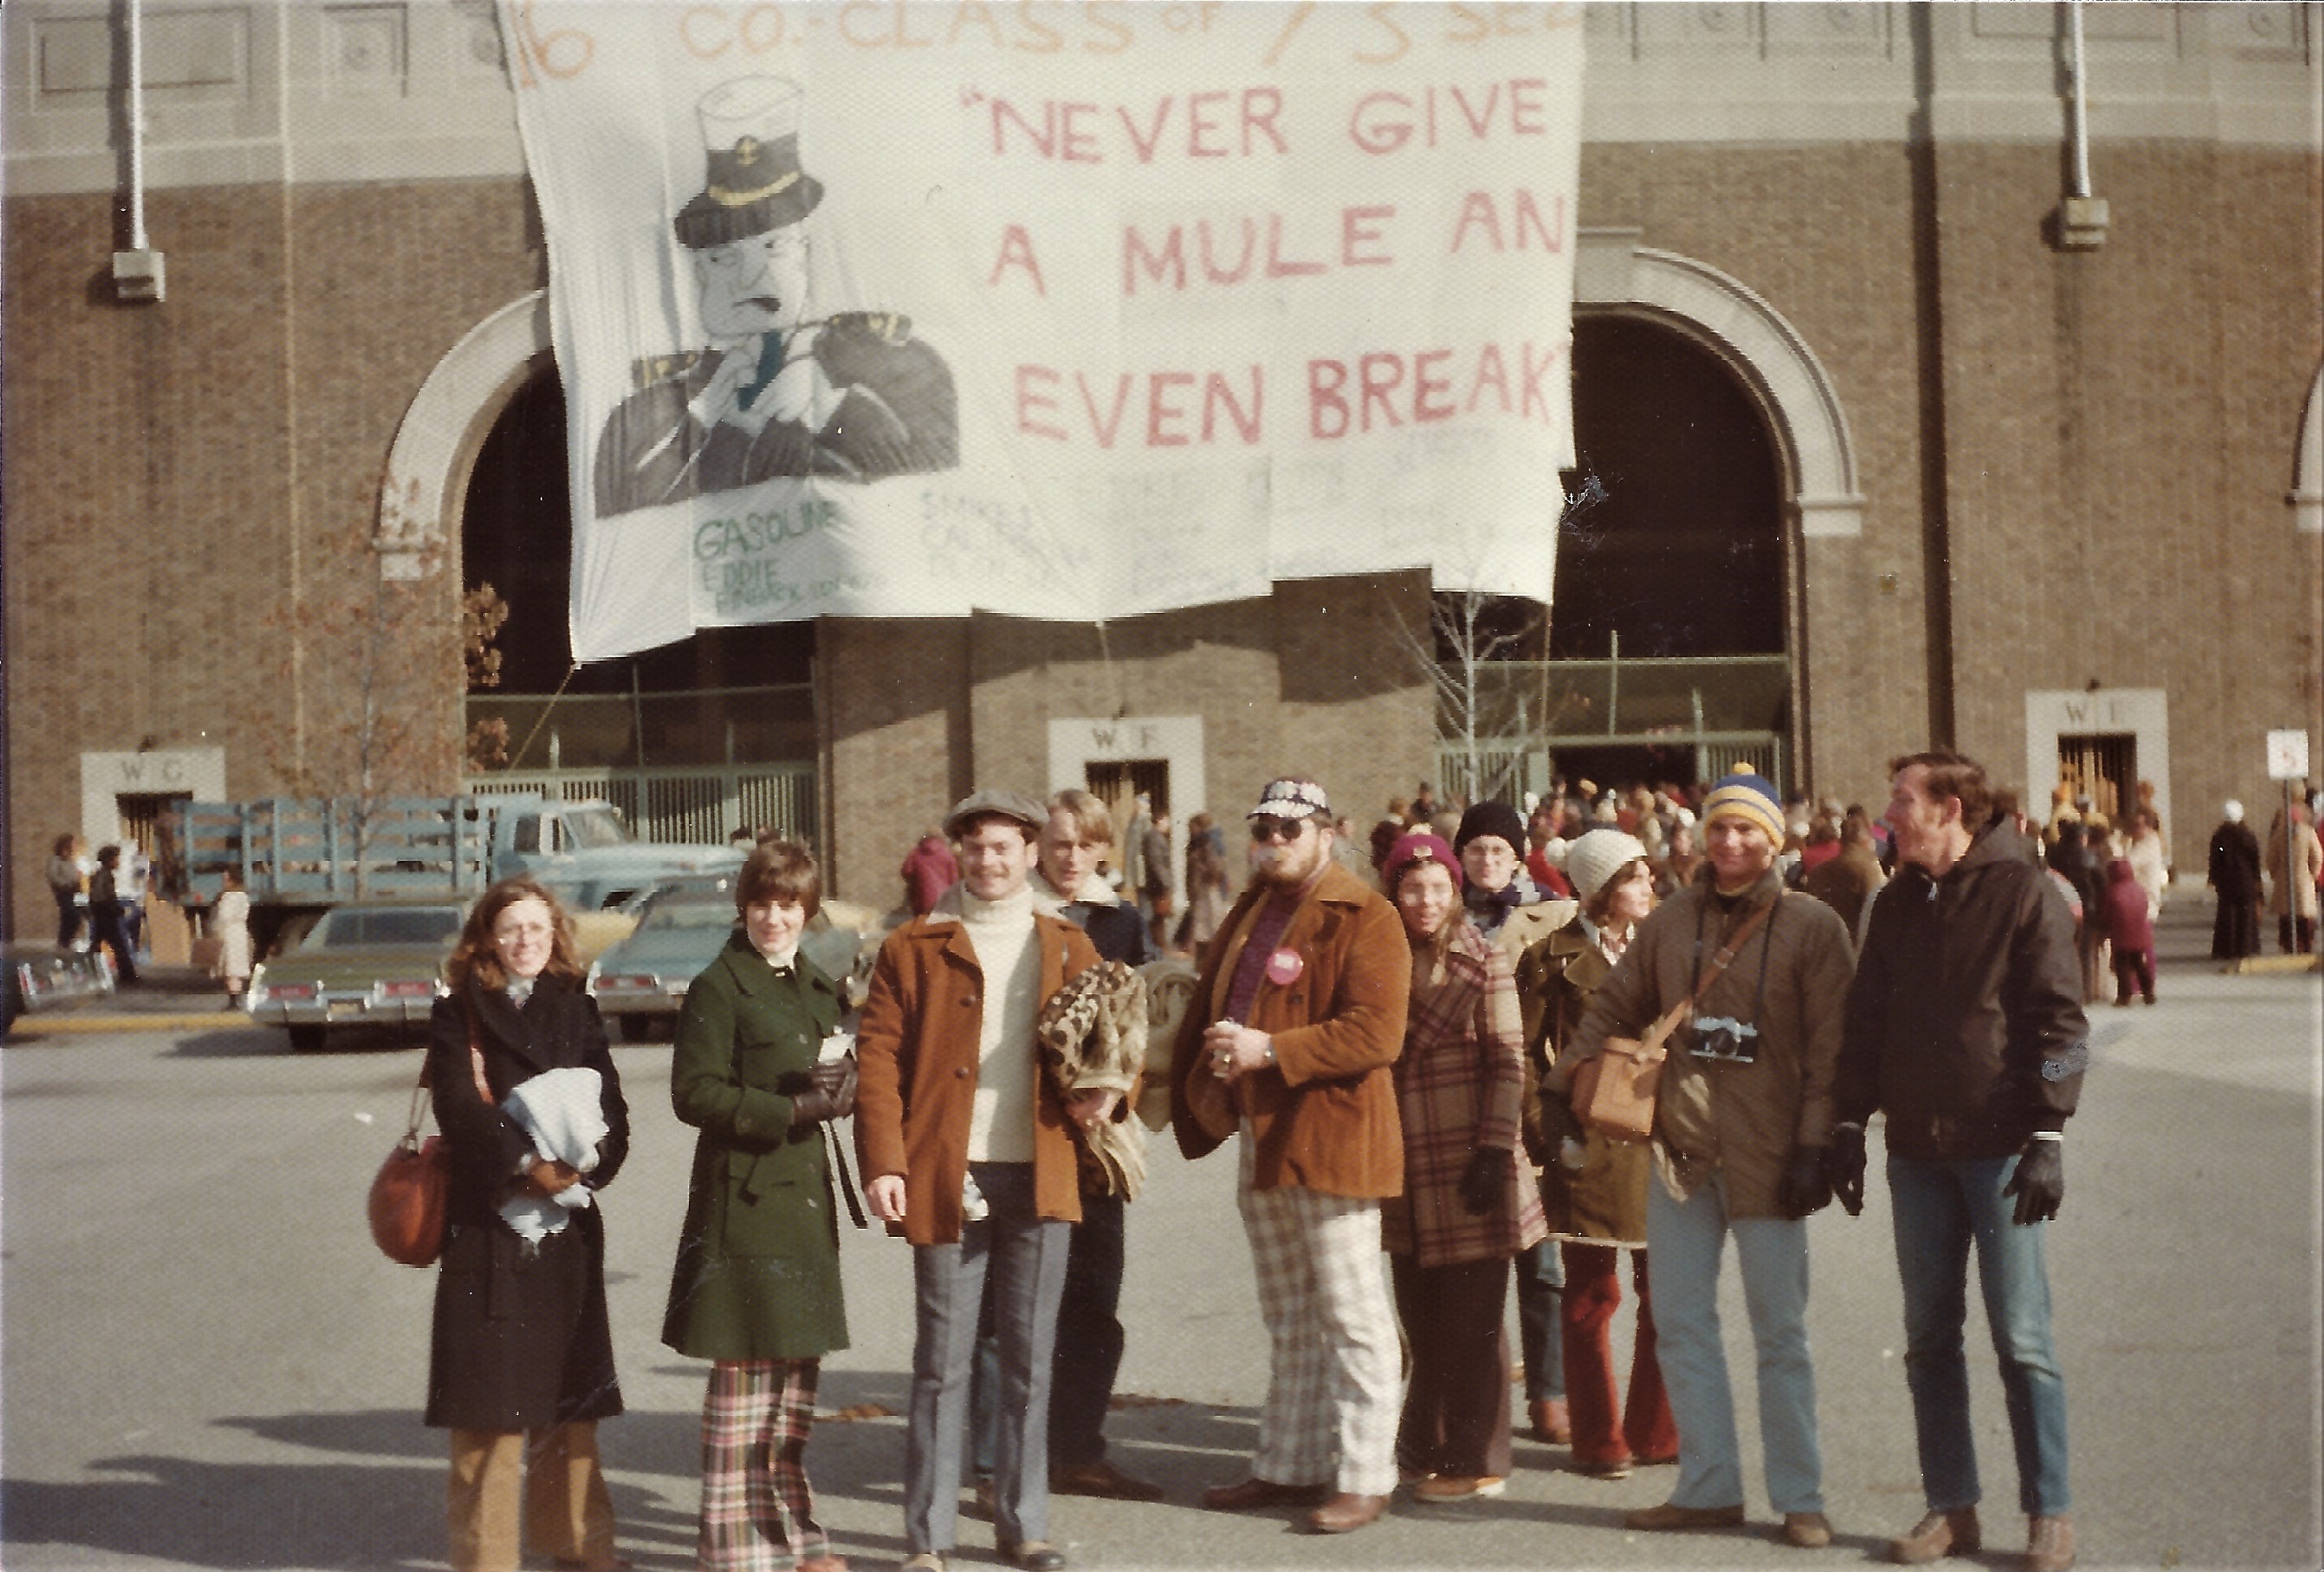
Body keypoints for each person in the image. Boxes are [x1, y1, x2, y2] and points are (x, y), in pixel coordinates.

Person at [1557, 772, 1854, 1551]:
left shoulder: (1812, 925)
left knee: (1780, 1333)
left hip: (1771, 1157)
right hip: (1681, 1154)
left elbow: (1832, 1047)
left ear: (1774, 840)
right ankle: (1709, 1485)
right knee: (1682, 1323)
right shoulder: (1670, 920)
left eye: (1747, 829)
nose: (1729, 842)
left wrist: (1817, 1143)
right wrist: (1566, 1084)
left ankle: (1800, 1496)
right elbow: (1614, 1004)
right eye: (1719, 827)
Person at [1830, 749, 2088, 1572]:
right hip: (1915, 1151)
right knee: (1928, 1338)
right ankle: (1951, 1505)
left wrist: (2048, 1132)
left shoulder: (2023, 892)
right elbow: (1865, 1021)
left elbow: (2063, 1025)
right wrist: (1847, 1121)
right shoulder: (1894, 902)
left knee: (2022, 1338)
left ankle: (2048, 1510)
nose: (1889, 813)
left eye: (1902, 800)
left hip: (2000, 1151)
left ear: (1950, 810)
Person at [854, 789, 1104, 1572]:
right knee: (942, 1358)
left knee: (1030, 1356)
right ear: (958, 852)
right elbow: (876, 1059)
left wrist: (1109, 1093)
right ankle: (927, 1537)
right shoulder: (913, 944)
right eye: (976, 847)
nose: (989, 861)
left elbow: (1113, 1045)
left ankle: (1023, 1524)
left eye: (1003, 847)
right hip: (947, 1171)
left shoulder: (1068, 942)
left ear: (1031, 853)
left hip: (1042, 1169)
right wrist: (885, 1161)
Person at [1172, 778, 1411, 1536]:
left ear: (1326, 835)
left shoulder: (1368, 914)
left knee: (1352, 1313)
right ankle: (1289, 1463)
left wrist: (1269, 1048)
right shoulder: (1252, 907)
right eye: (1264, 828)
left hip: (1334, 1135)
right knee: (1290, 1313)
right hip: (1262, 1132)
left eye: (1290, 828)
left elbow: (1377, 1033)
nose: (1273, 840)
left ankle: (1366, 1477)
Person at [593, 76, 956, 515]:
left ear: (806, 254)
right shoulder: (646, 412)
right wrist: (712, 428)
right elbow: (623, 520)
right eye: (723, 258)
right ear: (698, 274)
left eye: (774, 247)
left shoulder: (902, 369)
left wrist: (833, 408)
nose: (752, 279)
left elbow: (936, 488)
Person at [425, 877, 631, 1572]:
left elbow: (614, 1108)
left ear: (555, 935)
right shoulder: (458, 1010)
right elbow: (458, 1105)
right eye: (511, 927)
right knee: (490, 1417)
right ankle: (487, 1563)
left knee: (570, 1411)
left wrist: (588, 1166)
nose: (525, 941)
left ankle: (580, 1550)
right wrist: (526, 1165)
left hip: (564, 1231)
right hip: (491, 1230)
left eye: (538, 928)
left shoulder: (575, 1004)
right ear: (487, 937)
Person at [663, 840, 856, 1572]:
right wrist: (789, 1108)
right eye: (762, 904)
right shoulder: (720, 985)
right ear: (743, 907)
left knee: (793, 1392)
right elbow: (694, 1093)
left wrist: (843, 1083)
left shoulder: (814, 981)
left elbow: (833, 1054)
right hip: (744, 1202)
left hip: (801, 1204)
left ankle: (795, 1537)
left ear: (808, 911)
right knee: (746, 1386)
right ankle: (735, 1548)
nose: (774, 918)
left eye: (789, 905)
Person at [1376, 831, 1546, 1502]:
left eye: (1437, 888)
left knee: (1473, 1316)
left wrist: (1495, 1147)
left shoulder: (1484, 955)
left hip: (1469, 1150)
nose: (1425, 900)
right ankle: (1425, 1441)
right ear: (1394, 891)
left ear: (1456, 891)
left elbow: (1508, 1059)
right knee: (1420, 1311)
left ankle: (1479, 1457)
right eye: (1412, 887)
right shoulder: (1382, 955)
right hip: (1404, 1156)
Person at [1005, 790, 1163, 1504]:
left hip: (1099, 1137)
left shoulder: (1121, 919)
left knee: (1094, 1298)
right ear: (1038, 847)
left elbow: (1144, 1023)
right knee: (1013, 1301)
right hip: (1025, 1128)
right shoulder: (1014, 909)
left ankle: (1077, 1448)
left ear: (1104, 848)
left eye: (1085, 844)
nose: (1071, 857)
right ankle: (1005, 1459)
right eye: (1059, 843)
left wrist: (1116, 1091)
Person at [1521, 828, 1679, 1481]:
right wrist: (1547, 1128)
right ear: (1603, 888)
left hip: (1659, 1136)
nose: (1649, 885)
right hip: (1584, 1140)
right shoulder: (1549, 957)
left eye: (1647, 874)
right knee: (1591, 1294)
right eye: (1636, 876)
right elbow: (1524, 1054)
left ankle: (1655, 1431)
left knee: (1666, 1292)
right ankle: (1597, 1438)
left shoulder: (1669, 950)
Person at [1451, 799, 1575, 1446]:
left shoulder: (1553, 915)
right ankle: (1475, 1396)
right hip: (1457, 1102)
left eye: (1499, 849)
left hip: (1530, 1102)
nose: (1487, 860)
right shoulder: (1437, 912)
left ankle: (1550, 1391)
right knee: (1469, 1261)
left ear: (1520, 856)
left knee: (1543, 1258)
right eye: (1476, 849)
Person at [1801, 807, 1887, 945]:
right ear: (1867, 839)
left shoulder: (1818, 872)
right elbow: (1878, 910)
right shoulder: (1869, 869)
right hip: (1857, 945)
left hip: (1824, 944)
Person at [2045, 822, 2108, 1003]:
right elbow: (2102, 885)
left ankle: (2063, 990)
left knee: (2060, 951)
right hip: (2087, 909)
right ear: (2082, 837)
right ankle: (2084, 991)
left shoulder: (2054, 854)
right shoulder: (2090, 857)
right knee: (2084, 952)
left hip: (2059, 907)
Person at [2206, 801, 2264, 960]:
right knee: (2246, 916)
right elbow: (2255, 861)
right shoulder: (2248, 837)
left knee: (2228, 916)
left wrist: (2214, 877)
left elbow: (2216, 858)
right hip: (2246, 881)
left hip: (2226, 882)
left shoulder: (2220, 838)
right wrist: (2257, 881)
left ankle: (2227, 949)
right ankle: (2246, 947)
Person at [2262, 801, 2322, 954]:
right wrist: (2312, 875)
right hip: (2304, 880)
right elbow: (2317, 856)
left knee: (2286, 917)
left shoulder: (2279, 835)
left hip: (2284, 880)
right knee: (2304, 917)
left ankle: (2288, 946)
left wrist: (2276, 874)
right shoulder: (2308, 833)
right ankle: (2305, 946)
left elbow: (2271, 858)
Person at [1174, 812, 1233, 964]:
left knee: (1207, 927)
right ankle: (1202, 961)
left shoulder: (1206, 842)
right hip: (1200, 889)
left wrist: (1205, 874)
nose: (1190, 830)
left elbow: (1216, 866)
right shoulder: (1198, 842)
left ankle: (1208, 960)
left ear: (1199, 826)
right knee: (1202, 927)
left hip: (1206, 889)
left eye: (1192, 827)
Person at [2098, 858, 2156, 1006]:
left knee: (2122, 966)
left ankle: (2124, 996)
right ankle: (2148, 992)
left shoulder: (2113, 891)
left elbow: (2107, 914)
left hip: (2121, 935)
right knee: (2139, 964)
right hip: (2140, 934)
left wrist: (2104, 930)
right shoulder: (2138, 889)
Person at [86, 845, 138, 984]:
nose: (118, 862)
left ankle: (91, 971)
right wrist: (116, 909)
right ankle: (127, 975)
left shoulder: (99, 875)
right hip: (106, 913)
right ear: (109, 860)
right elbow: (107, 896)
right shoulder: (106, 876)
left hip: (100, 912)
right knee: (118, 945)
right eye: (116, 858)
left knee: (97, 944)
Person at [213, 868, 253, 1008]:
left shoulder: (228, 897)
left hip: (229, 935)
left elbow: (224, 917)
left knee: (231, 969)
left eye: (226, 879)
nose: (223, 882)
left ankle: (233, 1001)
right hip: (240, 933)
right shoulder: (244, 896)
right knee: (237, 967)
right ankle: (237, 998)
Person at [900, 830, 960, 918]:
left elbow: (906, 872)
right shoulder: (947, 855)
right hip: (943, 899)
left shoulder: (916, 854)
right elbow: (954, 879)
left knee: (922, 923)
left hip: (921, 897)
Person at [1138, 809, 1174, 950]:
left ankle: (1159, 944)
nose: (1168, 824)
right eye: (1166, 821)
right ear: (1159, 821)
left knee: (1159, 915)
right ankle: (1159, 945)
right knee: (1159, 915)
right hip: (1158, 883)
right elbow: (1157, 863)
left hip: (1157, 882)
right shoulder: (1154, 838)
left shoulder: (1155, 837)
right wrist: (1165, 883)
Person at [46, 833, 83, 949]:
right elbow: (53, 876)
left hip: (73, 891)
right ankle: (64, 940)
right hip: (63, 892)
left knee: (67, 917)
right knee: (72, 914)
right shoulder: (56, 860)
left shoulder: (70, 860)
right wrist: (65, 884)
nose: (75, 846)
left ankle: (65, 941)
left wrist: (77, 878)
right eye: (73, 844)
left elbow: (73, 874)